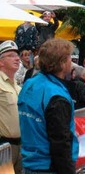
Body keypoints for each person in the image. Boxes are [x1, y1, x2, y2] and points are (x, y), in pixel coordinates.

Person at [18, 38, 79, 174]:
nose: (72, 62)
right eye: (69, 57)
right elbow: (60, 142)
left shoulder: (30, 84)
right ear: (62, 63)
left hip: (30, 161)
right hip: (49, 166)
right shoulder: (56, 95)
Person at [0, 40, 23, 173]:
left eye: (17, 55)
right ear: (1, 61)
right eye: (11, 55)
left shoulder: (18, 86)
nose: (16, 58)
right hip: (4, 145)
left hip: (20, 145)